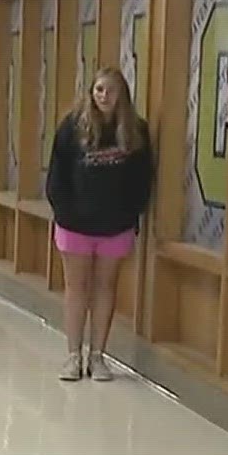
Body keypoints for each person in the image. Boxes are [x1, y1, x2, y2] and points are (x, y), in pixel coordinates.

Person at [45, 66, 153, 382]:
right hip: (74, 224)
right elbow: (57, 177)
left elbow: (143, 178)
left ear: (122, 95)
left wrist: (132, 212)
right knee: (76, 288)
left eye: (111, 90)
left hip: (115, 226)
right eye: (99, 90)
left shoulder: (136, 131)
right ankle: (72, 356)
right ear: (91, 93)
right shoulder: (72, 127)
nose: (104, 96)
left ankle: (98, 356)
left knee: (106, 287)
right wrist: (65, 212)